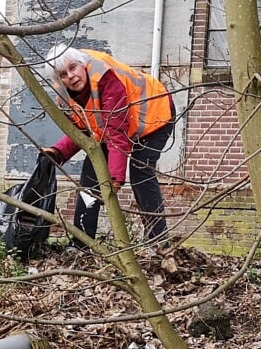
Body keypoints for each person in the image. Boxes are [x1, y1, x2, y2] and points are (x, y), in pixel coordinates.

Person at [38, 46, 176, 244]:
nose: (71, 76)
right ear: (58, 79)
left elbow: (116, 131)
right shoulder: (64, 97)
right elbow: (83, 132)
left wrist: (114, 177)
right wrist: (58, 152)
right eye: (63, 74)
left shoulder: (106, 79)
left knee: (140, 171)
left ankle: (159, 241)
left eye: (73, 67)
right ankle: (82, 244)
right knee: (90, 175)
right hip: (113, 129)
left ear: (82, 64)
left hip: (155, 114)